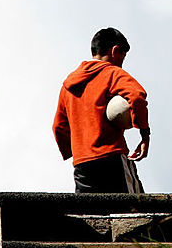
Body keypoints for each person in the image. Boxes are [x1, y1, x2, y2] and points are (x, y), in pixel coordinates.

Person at [53, 27, 150, 193]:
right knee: (134, 209)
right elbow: (136, 97)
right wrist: (144, 134)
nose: (121, 63)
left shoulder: (67, 85)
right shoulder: (112, 73)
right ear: (115, 51)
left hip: (82, 165)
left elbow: (59, 127)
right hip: (112, 158)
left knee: (90, 213)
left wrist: (79, 148)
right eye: (122, 57)